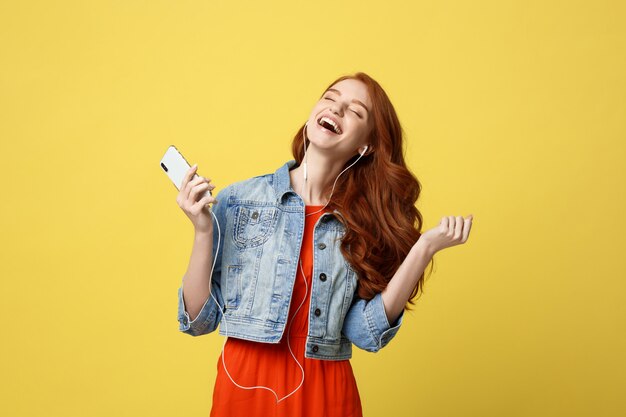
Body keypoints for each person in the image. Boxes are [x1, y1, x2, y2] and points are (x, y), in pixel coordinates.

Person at [175, 72, 474, 416]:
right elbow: (199, 320)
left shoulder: (362, 225)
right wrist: (202, 232)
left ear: (366, 146)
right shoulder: (240, 201)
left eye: (355, 111)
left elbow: (365, 332)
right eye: (331, 98)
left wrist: (423, 250)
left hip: (325, 392)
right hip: (244, 388)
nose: (337, 108)